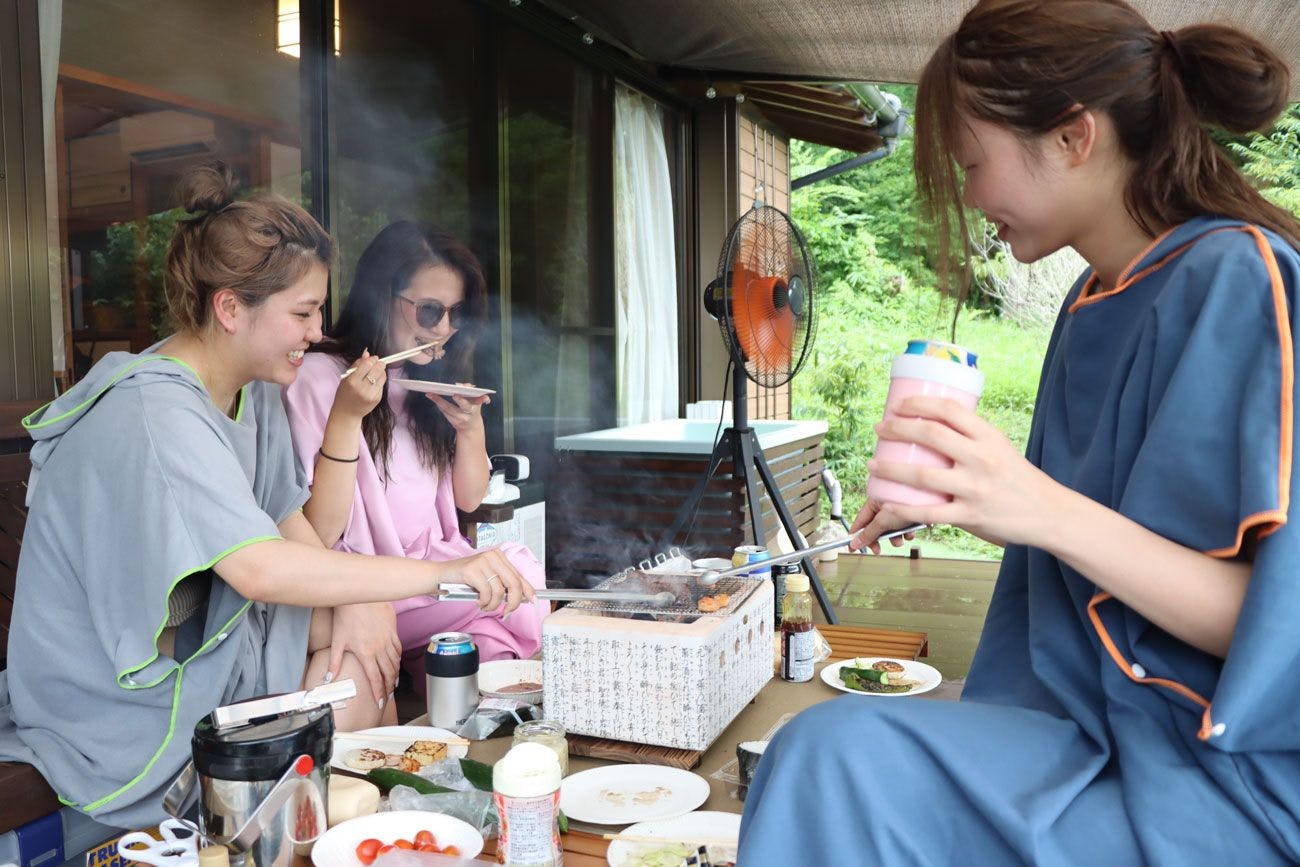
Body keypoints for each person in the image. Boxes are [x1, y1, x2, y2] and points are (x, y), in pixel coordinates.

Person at [739, 1, 1300, 864]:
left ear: (1075, 137)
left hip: (1211, 771)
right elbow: (1100, 549)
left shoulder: (1238, 277)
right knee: (817, 753)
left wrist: (1034, 505)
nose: (970, 196)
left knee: (829, 761)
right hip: (1090, 729)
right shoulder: (1089, 302)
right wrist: (972, 499)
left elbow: (1270, 627)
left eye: (972, 164)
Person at [0, 165, 532, 830]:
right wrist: (443, 574)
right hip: (128, 694)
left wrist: (361, 601)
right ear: (229, 308)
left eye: (318, 310)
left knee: (363, 654)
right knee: (358, 666)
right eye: (303, 313)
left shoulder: (251, 393)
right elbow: (260, 568)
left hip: (213, 642)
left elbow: (301, 531)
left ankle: (367, 828)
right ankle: (334, 829)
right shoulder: (154, 411)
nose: (317, 330)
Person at [281, 221, 547, 692]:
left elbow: (468, 501)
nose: (443, 329)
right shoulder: (319, 379)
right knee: (519, 577)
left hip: (431, 581)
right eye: (429, 311)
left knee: (494, 647)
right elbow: (319, 532)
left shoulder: (424, 384)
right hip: (366, 587)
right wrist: (348, 415)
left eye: (456, 314)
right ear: (380, 298)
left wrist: (470, 429)